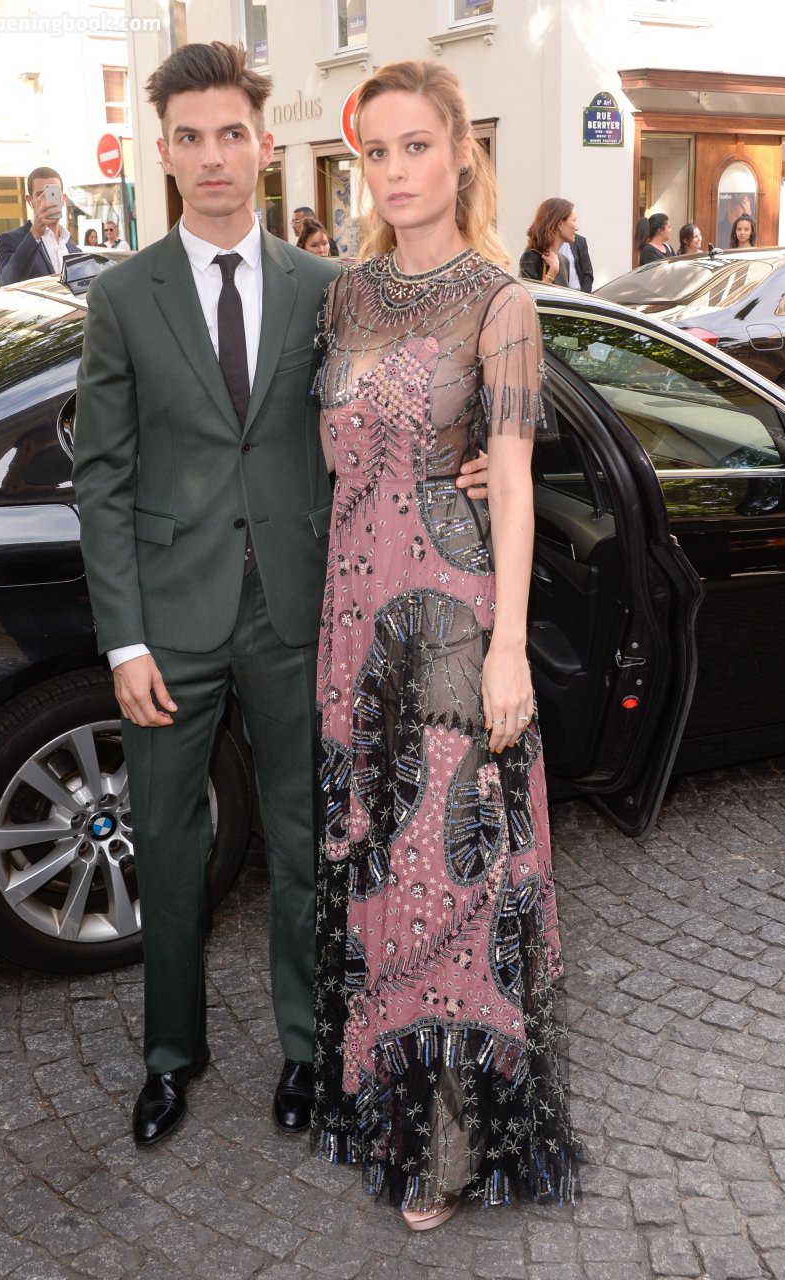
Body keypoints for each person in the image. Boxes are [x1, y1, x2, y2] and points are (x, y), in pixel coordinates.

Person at [73, 40, 487, 1151]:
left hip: (303, 613)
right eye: (191, 137)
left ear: (262, 144)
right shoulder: (121, 297)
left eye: (231, 133)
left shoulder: (326, 288)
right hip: (168, 624)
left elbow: (402, 392)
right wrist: (123, 641)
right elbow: (101, 478)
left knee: (306, 840)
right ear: (166, 152)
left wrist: (470, 463)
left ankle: (307, 1048)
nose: (213, 156)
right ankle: (171, 1055)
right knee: (166, 845)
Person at [312, 60, 578, 1232]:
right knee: (378, 865)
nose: (395, 170)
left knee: (449, 881)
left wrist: (508, 646)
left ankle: (448, 1147)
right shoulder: (346, 297)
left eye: (416, 145)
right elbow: (334, 460)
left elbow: (509, 482)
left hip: (451, 618)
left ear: (461, 152)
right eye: (376, 151)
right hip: (351, 619)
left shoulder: (499, 302)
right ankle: (390, 1107)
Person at [0, 167, 79, 284]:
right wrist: (34, 234)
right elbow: (7, 282)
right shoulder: (11, 240)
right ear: (30, 200)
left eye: (53, 193)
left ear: (63, 198)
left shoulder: (73, 247)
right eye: (40, 194)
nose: (48, 200)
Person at [518, 197, 577, 285]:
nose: (577, 227)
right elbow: (529, 293)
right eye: (574, 220)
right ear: (560, 224)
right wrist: (553, 270)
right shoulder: (531, 257)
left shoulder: (564, 261)